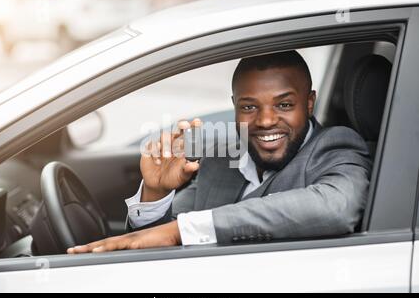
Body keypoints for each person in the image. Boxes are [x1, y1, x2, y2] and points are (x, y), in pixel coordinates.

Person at [67, 50, 372, 254]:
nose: (265, 121)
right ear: (235, 106)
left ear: (309, 103)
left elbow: (336, 207)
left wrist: (181, 231)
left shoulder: (335, 145)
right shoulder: (220, 159)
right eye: (249, 107)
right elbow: (153, 244)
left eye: (284, 104)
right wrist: (155, 194)